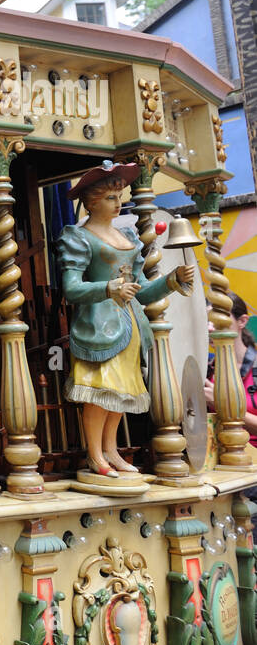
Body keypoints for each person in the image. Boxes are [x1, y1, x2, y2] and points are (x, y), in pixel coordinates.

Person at [58, 161, 193, 476]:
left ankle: (111, 450)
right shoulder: (79, 237)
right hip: (97, 325)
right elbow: (71, 288)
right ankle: (95, 455)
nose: (118, 204)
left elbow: (143, 292)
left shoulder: (128, 236)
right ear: (92, 201)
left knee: (121, 393)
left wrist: (172, 280)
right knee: (100, 394)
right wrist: (108, 287)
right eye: (110, 198)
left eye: (120, 196)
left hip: (130, 325)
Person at [203, 291, 257, 446]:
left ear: (242, 321)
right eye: (207, 321)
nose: (210, 327)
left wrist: (223, 405)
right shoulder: (207, 369)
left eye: (217, 320)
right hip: (214, 459)